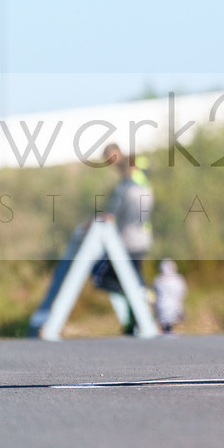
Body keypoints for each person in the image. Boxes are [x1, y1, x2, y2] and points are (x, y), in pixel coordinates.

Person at [92, 143, 154, 335]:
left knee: (103, 276)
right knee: (131, 276)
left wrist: (108, 215)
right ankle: (134, 321)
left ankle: (142, 294)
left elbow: (131, 202)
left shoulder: (131, 183)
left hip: (131, 237)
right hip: (137, 235)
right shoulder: (129, 182)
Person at [153, 258, 187, 334]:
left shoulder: (159, 280)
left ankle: (167, 329)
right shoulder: (177, 280)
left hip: (167, 305)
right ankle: (168, 329)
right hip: (168, 305)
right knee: (168, 321)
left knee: (167, 321)